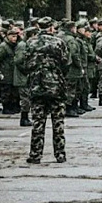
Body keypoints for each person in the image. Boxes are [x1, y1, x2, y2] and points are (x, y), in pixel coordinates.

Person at [24, 17, 69, 164]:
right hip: (56, 87)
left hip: (37, 86)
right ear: (50, 28)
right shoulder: (59, 42)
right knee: (58, 123)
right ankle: (60, 154)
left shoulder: (30, 42)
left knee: (38, 122)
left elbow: (25, 63)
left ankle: (35, 154)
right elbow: (66, 63)